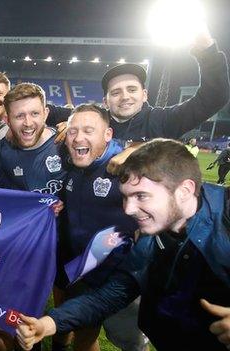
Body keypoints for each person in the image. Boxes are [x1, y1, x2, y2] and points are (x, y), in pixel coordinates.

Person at [16, 139, 230, 351]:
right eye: (126, 197)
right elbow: (111, 295)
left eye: (141, 196)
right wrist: (48, 323)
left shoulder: (225, 215)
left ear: (184, 190)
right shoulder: (150, 239)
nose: (128, 209)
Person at [59, 104, 147, 351]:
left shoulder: (127, 166)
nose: (78, 138)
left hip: (121, 279)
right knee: (84, 336)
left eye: (89, 130)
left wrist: (138, 150)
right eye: (72, 130)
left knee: (130, 343)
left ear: (108, 135)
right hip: (84, 272)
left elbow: (168, 153)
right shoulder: (72, 163)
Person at [47, 26, 229, 142]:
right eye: (116, 92)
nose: (125, 96)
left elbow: (213, 98)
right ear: (106, 100)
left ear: (144, 94)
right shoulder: (91, 119)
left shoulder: (163, 120)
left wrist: (208, 52)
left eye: (132, 89)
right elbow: (42, 111)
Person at [0, 83, 67, 195]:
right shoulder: (0, 151)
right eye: (19, 116)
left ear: (45, 114)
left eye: (35, 113)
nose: (28, 123)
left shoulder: (67, 144)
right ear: (7, 120)